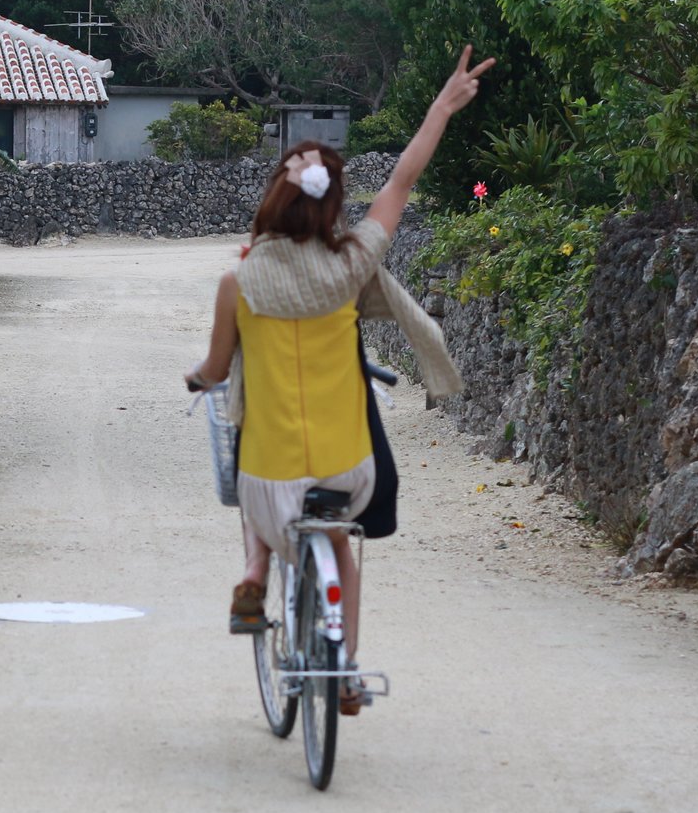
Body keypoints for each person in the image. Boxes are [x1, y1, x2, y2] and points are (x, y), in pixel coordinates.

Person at [185, 46, 494, 715]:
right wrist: (441, 107)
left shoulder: (238, 284)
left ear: (274, 200)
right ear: (333, 209)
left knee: (249, 470)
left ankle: (252, 573)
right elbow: (403, 183)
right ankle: (345, 668)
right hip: (348, 467)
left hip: (272, 476)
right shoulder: (352, 263)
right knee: (341, 550)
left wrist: (198, 377)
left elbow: (215, 370)